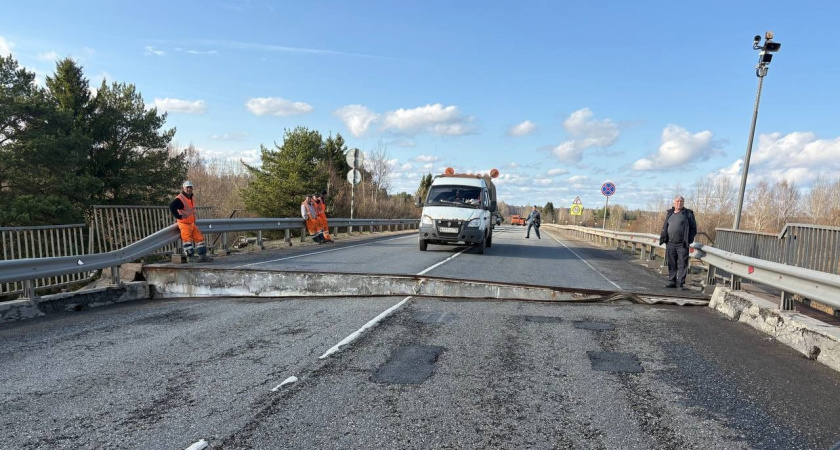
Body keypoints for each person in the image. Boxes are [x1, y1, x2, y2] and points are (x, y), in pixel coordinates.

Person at [659, 195, 697, 290]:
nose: (679, 203)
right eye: (677, 201)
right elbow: (665, 226)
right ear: (674, 203)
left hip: (682, 244)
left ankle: (680, 283)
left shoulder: (688, 214)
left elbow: (693, 229)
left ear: (683, 203)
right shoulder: (670, 213)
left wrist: (689, 240)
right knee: (671, 263)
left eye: (681, 201)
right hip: (670, 243)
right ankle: (672, 281)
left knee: (682, 264)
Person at [169, 181, 212, 262]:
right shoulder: (180, 198)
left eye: (190, 187)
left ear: (192, 188)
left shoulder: (190, 197)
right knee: (187, 241)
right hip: (184, 223)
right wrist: (178, 216)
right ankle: (190, 257)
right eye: (187, 188)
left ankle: (203, 256)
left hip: (191, 223)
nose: (189, 189)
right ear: (184, 188)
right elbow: (171, 206)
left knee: (199, 238)